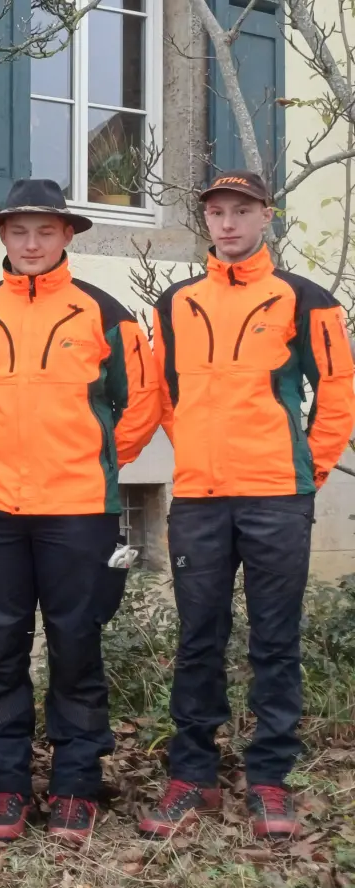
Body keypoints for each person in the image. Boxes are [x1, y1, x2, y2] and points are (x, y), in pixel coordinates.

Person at [0, 179, 160, 845]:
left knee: (76, 646)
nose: (31, 243)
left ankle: (75, 788)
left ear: (67, 236)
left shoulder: (105, 312)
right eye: (19, 231)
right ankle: (5, 788)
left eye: (45, 231)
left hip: (79, 510)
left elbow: (142, 402)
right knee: (0, 650)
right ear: (2, 236)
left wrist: (97, 461)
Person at [138, 171, 355, 842]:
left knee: (274, 640)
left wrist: (304, 471)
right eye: (216, 213)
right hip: (201, 497)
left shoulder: (305, 299)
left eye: (241, 211)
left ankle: (268, 782)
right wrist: (198, 450)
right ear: (206, 222)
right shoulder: (175, 302)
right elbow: (163, 392)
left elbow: (338, 390)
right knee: (197, 639)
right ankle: (193, 777)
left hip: (276, 498)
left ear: (266, 215)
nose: (228, 223)